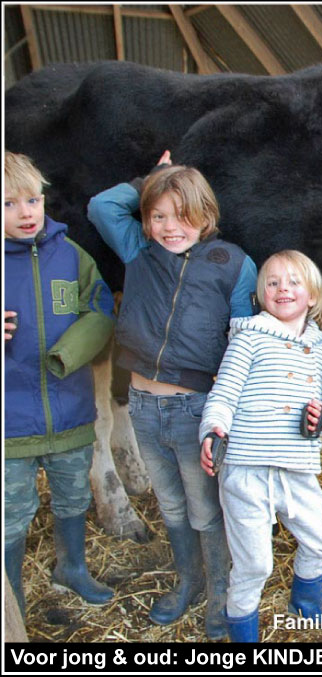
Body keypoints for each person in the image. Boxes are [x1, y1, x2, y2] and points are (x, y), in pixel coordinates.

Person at [87, 151, 257, 640]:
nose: (168, 227)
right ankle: (189, 583)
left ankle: (221, 595)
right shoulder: (139, 250)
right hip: (142, 405)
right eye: (157, 216)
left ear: (205, 216)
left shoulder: (232, 263)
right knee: (171, 504)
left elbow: (244, 337)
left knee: (205, 507)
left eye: (182, 215)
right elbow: (102, 206)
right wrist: (150, 178)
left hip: (195, 409)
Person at [199, 250, 322, 643]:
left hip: (297, 467)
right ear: (261, 294)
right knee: (255, 565)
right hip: (246, 469)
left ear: (312, 295)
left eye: (294, 282)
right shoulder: (248, 338)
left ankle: (306, 607)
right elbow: (223, 394)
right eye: (273, 283)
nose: (283, 289)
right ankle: (243, 640)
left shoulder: (321, 349)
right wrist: (213, 429)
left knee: (320, 543)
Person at [4, 151, 116, 618]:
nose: (26, 212)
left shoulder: (71, 255)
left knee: (73, 494)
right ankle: (10, 596)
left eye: (32, 200)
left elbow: (100, 308)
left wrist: (70, 352)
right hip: (10, 424)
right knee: (12, 510)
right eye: (8, 204)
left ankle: (72, 567)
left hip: (69, 410)